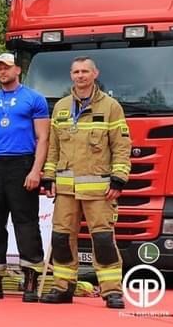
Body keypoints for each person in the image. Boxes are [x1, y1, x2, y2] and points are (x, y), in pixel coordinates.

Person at [39, 57, 128, 309]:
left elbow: (121, 146)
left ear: (95, 73)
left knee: (102, 239)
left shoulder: (111, 107)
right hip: (66, 189)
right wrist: (49, 176)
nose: (80, 76)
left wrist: (119, 178)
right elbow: (53, 148)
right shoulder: (61, 107)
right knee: (61, 238)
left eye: (85, 71)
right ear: (71, 75)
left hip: (99, 190)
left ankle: (112, 291)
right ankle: (63, 287)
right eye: (76, 72)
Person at [0, 52, 49, 302]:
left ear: (18, 69)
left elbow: (43, 138)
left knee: (25, 222)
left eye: (7, 67)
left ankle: (31, 277)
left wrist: (36, 170)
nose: (2, 72)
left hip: (22, 162)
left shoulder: (34, 99)